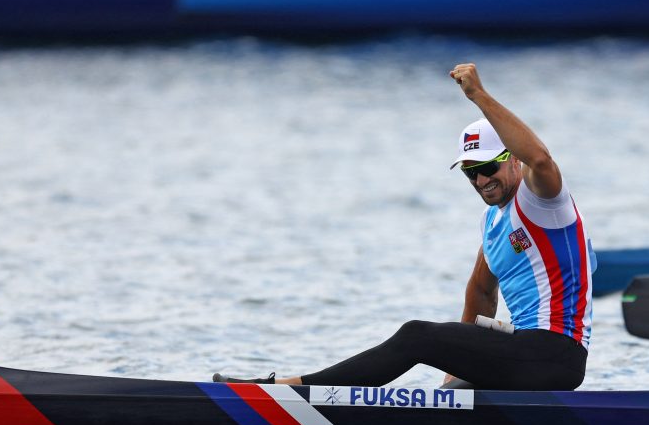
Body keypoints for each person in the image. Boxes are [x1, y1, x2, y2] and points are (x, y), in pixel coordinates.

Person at [214, 63, 594, 391]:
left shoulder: (543, 201)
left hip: (555, 353)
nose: (481, 182)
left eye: (488, 168)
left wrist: (478, 94)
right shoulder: (491, 221)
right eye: (470, 173)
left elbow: (541, 159)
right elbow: (480, 290)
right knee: (446, 377)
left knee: (416, 335)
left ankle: (287, 390)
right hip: (522, 351)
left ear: (512, 159)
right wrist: (453, 374)